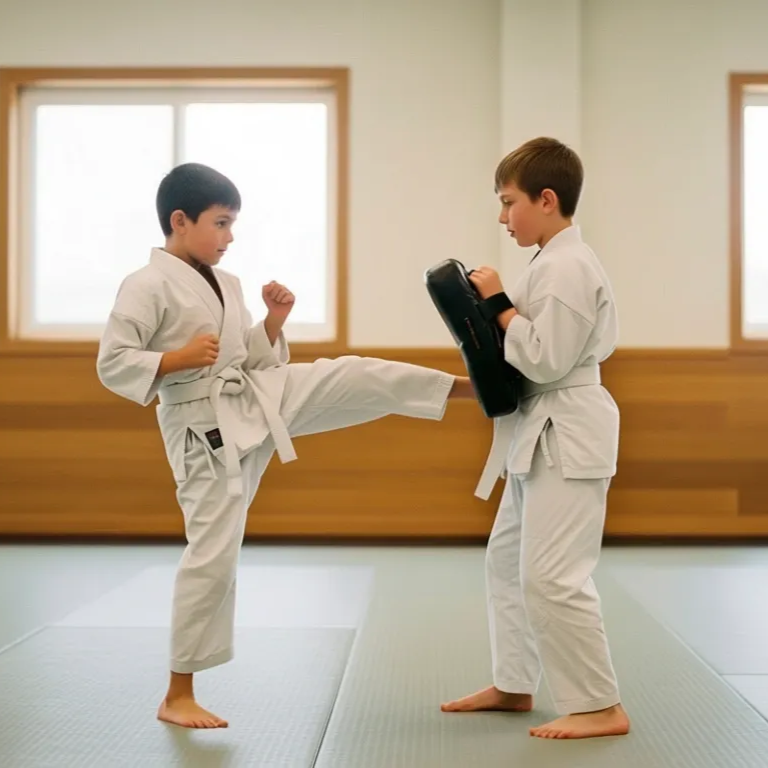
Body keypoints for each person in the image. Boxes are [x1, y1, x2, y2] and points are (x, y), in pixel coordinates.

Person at [96, 162, 475, 729]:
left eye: (232, 225)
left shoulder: (228, 284)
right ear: (180, 220)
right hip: (204, 428)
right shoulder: (144, 283)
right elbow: (112, 362)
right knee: (214, 552)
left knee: (349, 373)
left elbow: (246, 360)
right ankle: (178, 693)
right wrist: (173, 360)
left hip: (254, 394)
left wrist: (271, 324)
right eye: (221, 223)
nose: (229, 237)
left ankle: (469, 388)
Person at [440, 137, 631, 740]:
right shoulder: (550, 261)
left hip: (567, 428)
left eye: (508, 202)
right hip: (541, 428)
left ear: (546, 200)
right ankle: (515, 682)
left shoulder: (569, 265)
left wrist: (496, 302)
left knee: (553, 574)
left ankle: (600, 703)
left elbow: (547, 359)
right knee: (506, 561)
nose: (502, 217)